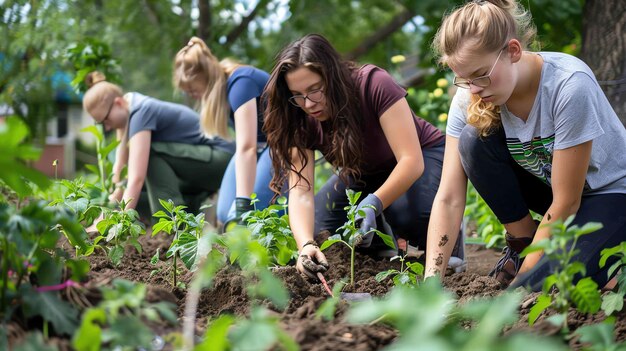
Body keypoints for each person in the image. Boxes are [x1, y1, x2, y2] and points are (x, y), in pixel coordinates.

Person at [425, 0, 626, 291]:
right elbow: (448, 198)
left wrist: (522, 282)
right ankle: (525, 245)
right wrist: (431, 283)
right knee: (472, 141)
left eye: (480, 75)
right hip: (555, 194)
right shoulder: (472, 94)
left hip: (608, 193)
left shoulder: (569, 85)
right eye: (464, 79)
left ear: (513, 51)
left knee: (550, 285)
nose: (474, 89)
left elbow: (566, 201)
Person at [263, 34, 463, 279]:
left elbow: (411, 161)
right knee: (320, 225)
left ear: (332, 77)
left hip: (422, 156)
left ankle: (448, 242)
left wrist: (373, 203)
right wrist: (305, 245)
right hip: (364, 171)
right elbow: (301, 191)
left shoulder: (372, 83)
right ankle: (380, 251)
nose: (308, 103)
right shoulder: (299, 117)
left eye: (315, 90)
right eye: (298, 95)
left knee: (406, 213)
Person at [82, 71, 234, 219]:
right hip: (199, 163)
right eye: (101, 124)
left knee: (149, 155)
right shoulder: (129, 111)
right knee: (138, 188)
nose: (107, 128)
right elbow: (120, 169)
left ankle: (170, 226)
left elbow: (136, 178)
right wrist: (106, 210)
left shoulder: (141, 111)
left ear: (119, 103)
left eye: (106, 120)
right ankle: (192, 206)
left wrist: (115, 223)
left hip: (222, 158)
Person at [173, 37, 273, 228]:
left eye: (193, 89)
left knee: (253, 209)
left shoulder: (240, 83)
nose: (192, 95)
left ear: (207, 77)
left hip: (282, 145)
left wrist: (243, 205)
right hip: (261, 147)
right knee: (225, 213)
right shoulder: (223, 94)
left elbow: (247, 147)